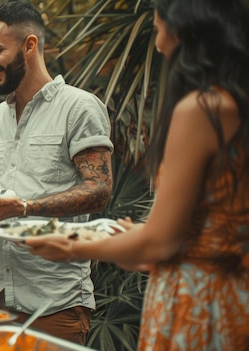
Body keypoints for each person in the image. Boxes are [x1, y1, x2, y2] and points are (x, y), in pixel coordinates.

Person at [24, 0, 249, 349]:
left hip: (198, 301)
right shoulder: (234, 104)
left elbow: (159, 243)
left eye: (158, 29)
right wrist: (137, 236)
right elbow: (196, 231)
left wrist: (72, 247)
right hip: (230, 298)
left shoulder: (202, 109)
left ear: (183, 29)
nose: (157, 44)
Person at [0, 0, 114, 344]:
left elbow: (99, 190)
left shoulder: (79, 107)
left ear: (30, 45)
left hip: (55, 303)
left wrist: (27, 208)